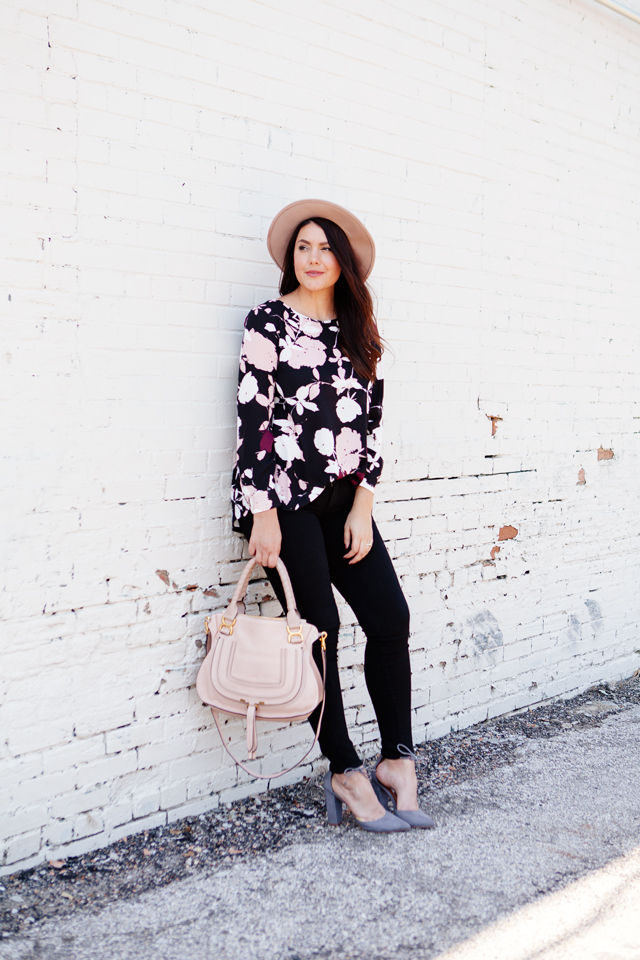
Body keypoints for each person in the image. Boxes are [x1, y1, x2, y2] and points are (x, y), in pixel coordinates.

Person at [232, 199, 434, 832]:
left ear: (344, 262)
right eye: (303, 249)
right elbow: (253, 422)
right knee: (320, 630)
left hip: (346, 500)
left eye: (324, 249)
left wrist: (365, 505)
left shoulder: (358, 330)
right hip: (283, 502)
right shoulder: (267, 322)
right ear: (291, 259)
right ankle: (344, 769)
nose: (313, 259)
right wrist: (261, 512)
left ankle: (398, 760)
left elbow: (371, 428)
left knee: (389, 617)